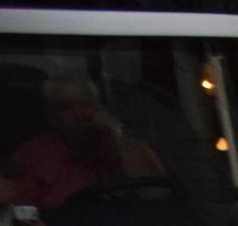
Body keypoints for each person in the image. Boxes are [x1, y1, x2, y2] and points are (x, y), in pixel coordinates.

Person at [0, 75, 166, 212]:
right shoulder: (31, 156)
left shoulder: (126, 144)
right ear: (52, 117)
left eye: (86, 105)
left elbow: (157, 197)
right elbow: (23, 216)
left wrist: (116, 131)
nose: (80, 115)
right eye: (66, 108)